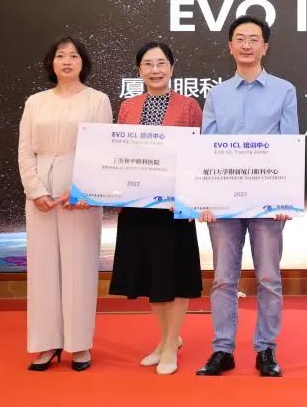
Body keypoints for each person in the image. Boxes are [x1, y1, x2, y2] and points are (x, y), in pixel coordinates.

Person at [196, 15, 299, 377]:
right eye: (240, 38)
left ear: (265, 47)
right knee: (224, 278)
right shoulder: (217, 94)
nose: (246, 45)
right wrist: (205, 200)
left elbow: (289, 147)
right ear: (230, 46)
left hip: (267, 202)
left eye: (254, 39)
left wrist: (285, 199)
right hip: (224, 202)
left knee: (269, 277)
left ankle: (266, 349)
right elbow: (207, 149)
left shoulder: (284, 91)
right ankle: (222, 349)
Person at [108, 42, 203, 375]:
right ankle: (166, 339)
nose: (155, 70)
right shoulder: (128, 107)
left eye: (161, 63)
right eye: (148, 64)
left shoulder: (188, 106)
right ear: (139, 70)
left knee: (175, 274)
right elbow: (119, 153)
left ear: (172, 68)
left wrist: (191, 197)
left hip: (174, 206)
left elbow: (198, 154)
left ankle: (171, 343)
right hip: (138, 205)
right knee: (152, 274)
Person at [18, 36, 113, 371]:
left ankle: (79, 344)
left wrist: (82, 190)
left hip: (80, 194)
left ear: (83, 62)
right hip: (41, 190)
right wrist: (35, 191)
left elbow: (103, 150)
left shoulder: (97, 100)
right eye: (61, 56)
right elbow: (24, 149)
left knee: (79, 267)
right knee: (42, 269)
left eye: (74, 56)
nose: (68, 61)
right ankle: (47, 343)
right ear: (52, 63)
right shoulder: (35, 102)